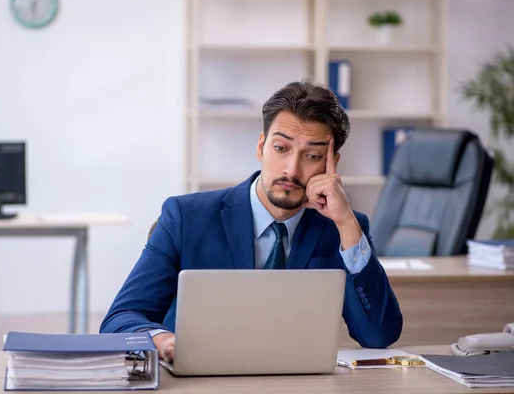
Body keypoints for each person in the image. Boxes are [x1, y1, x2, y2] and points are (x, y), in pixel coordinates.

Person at [100, 79, 403, 362]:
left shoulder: (342, 228)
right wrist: (163, 340)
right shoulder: (185, 217)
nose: (291, 170)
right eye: (281, 148)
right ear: (261, 146)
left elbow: (378, 336)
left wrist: (347, 224)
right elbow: (120, 319)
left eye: (311, 155)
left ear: (332, 163)